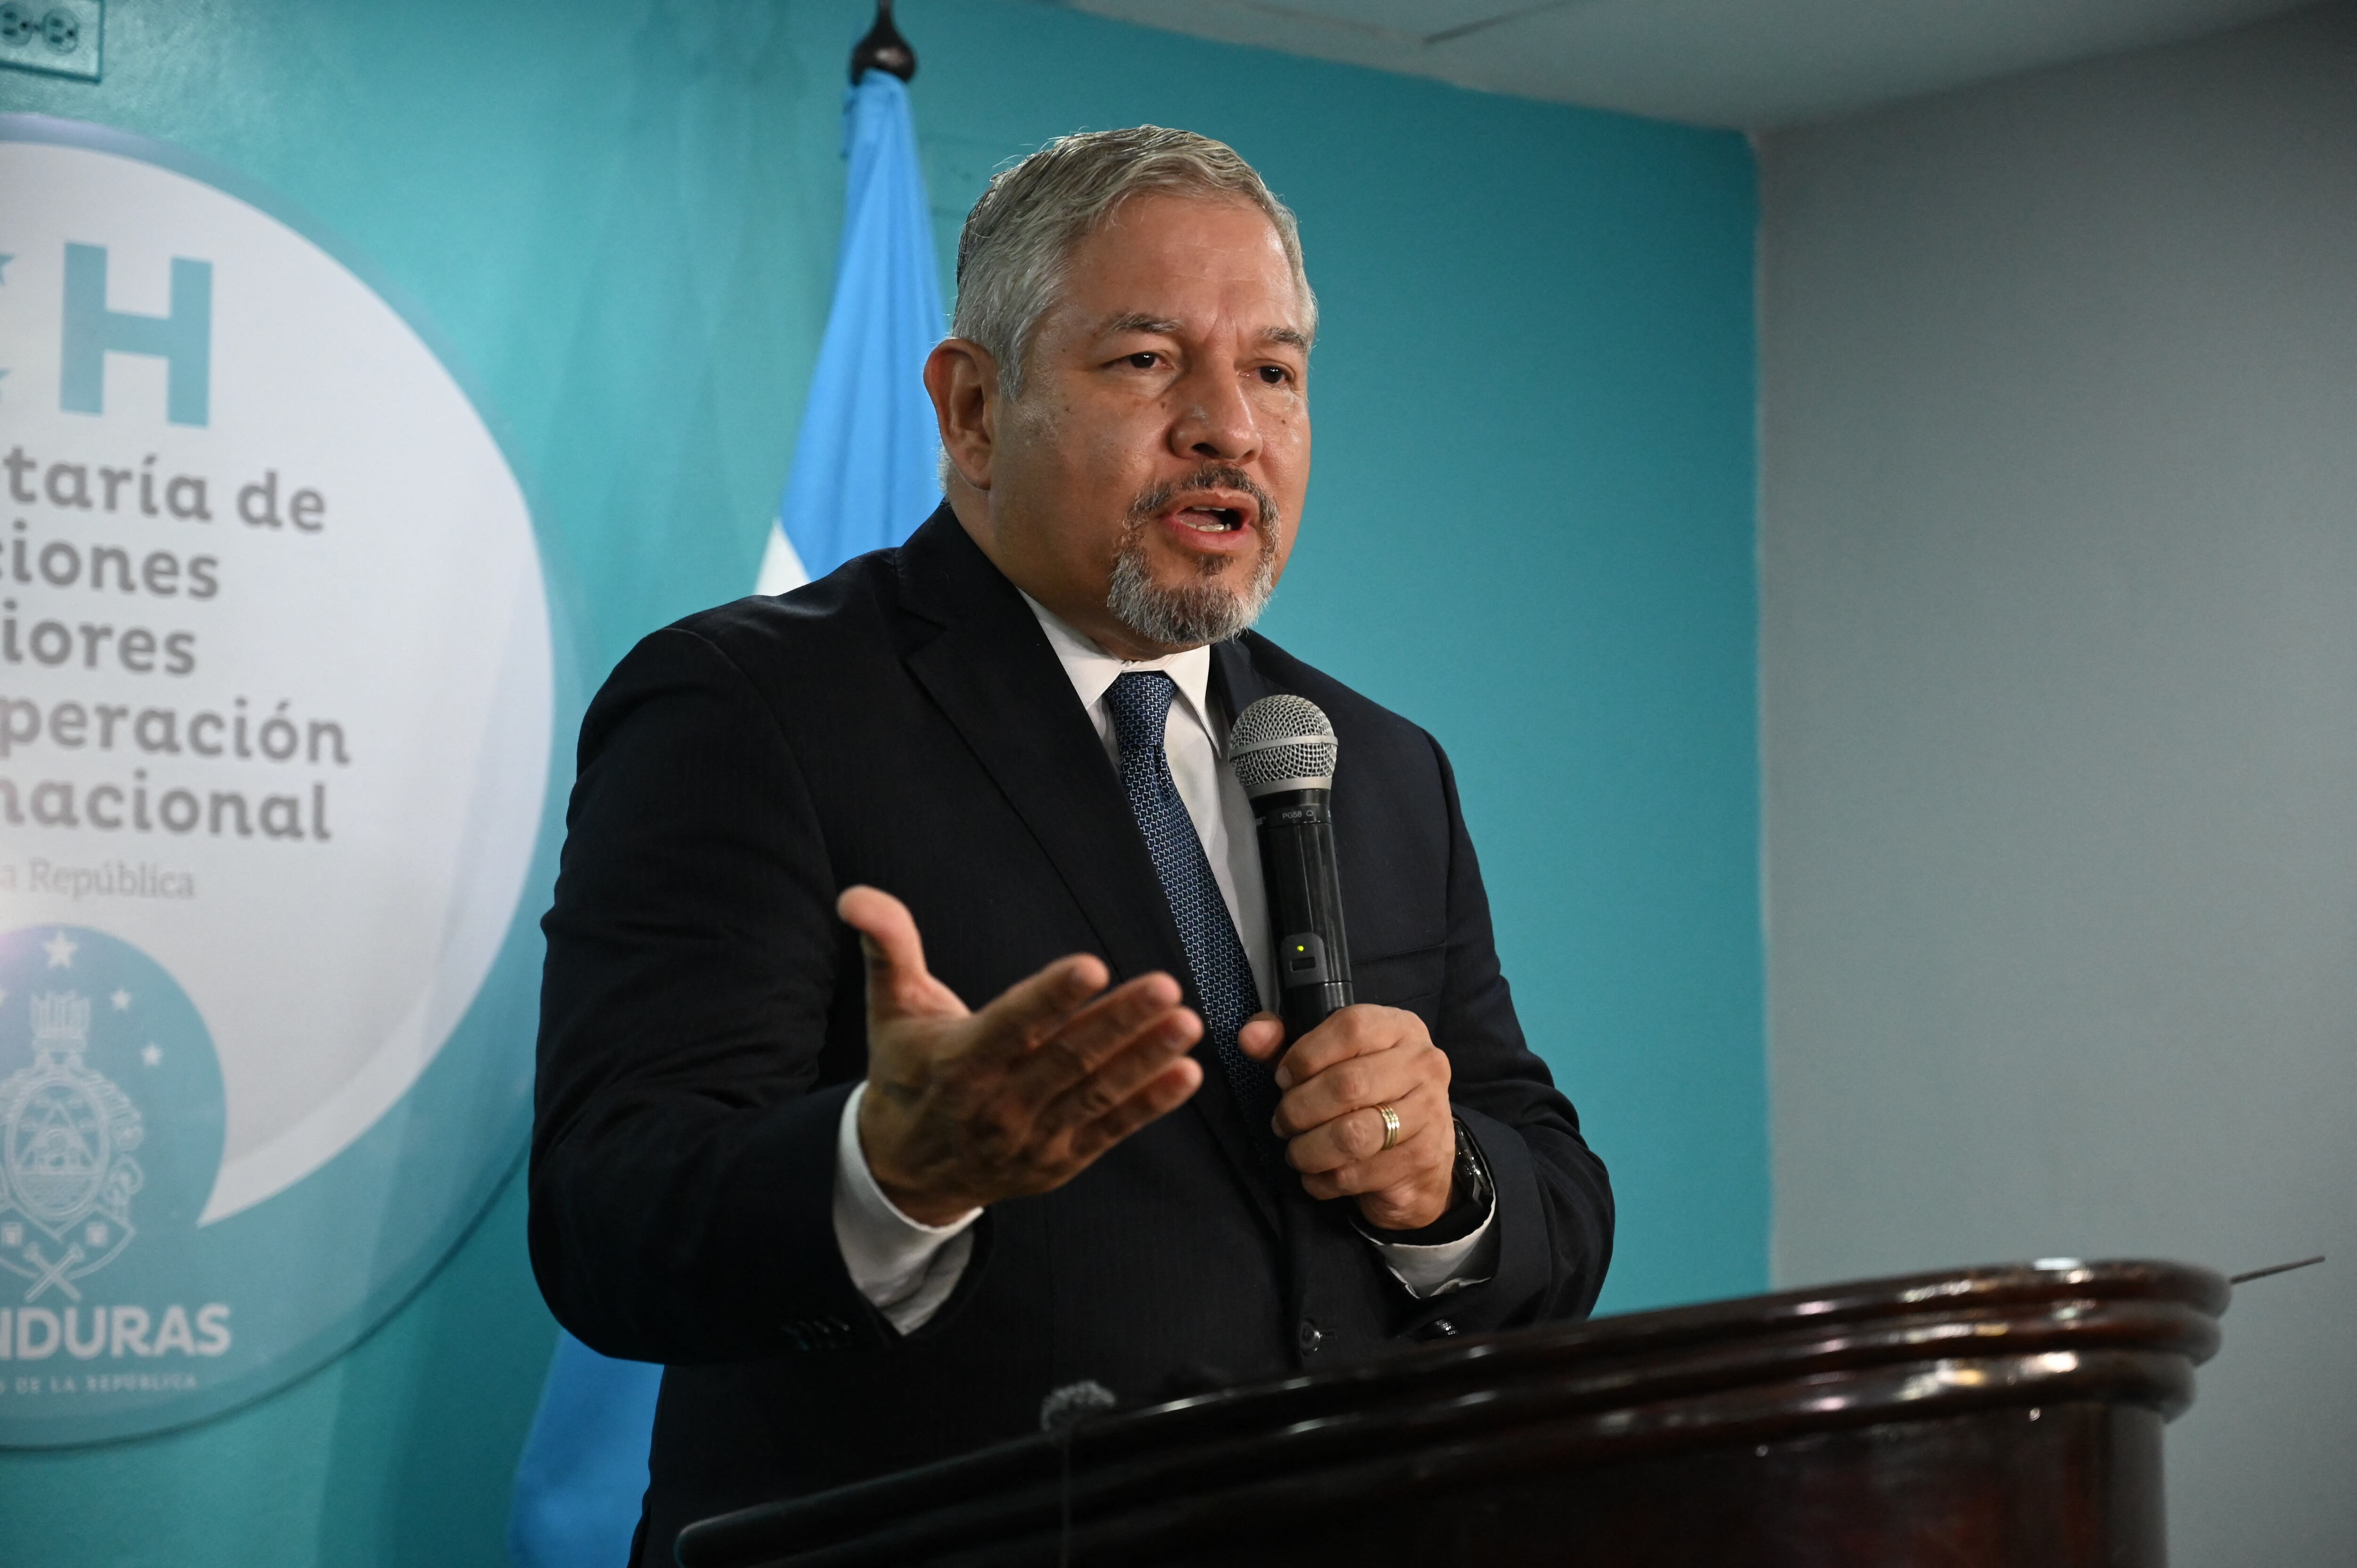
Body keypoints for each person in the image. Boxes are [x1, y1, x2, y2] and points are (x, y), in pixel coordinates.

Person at [530, 125, 1614, 1563]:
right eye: (1149, 361)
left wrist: (1442, 1188)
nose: (1231, 425)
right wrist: (887, 1171)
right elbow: (609, 1218)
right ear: (975, 409)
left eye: (1275, 372)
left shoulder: (1375, 764)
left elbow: (1555, 1200)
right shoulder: (751, 708)